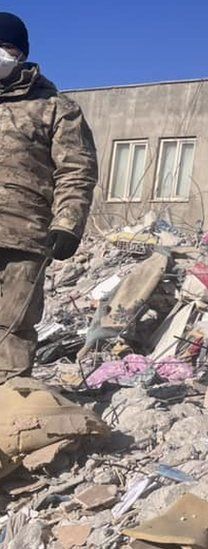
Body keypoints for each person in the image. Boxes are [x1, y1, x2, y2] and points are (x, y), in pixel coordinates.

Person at [0, 12, 97, 384]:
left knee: (13, 326)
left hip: (25, 237)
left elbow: (76, 170)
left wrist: (68, 225)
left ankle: (9, 411)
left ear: (20, 54)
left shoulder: (56, 108)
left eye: (5, 47)